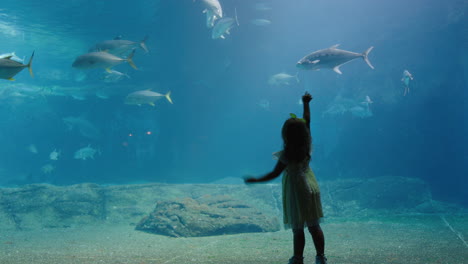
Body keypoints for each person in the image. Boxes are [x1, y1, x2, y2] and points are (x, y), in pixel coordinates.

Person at [244, 92, 327, 264]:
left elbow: (274, 174)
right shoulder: (307, 146)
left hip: (297, 191)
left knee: (298, 228)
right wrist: (306, 103)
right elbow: (307, 120)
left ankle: (297, 258)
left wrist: (256, 180)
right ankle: (321, 257)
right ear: (304, 134)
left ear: (286, 135)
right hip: (311, 186)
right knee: (314, 225)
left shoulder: (286, 155)